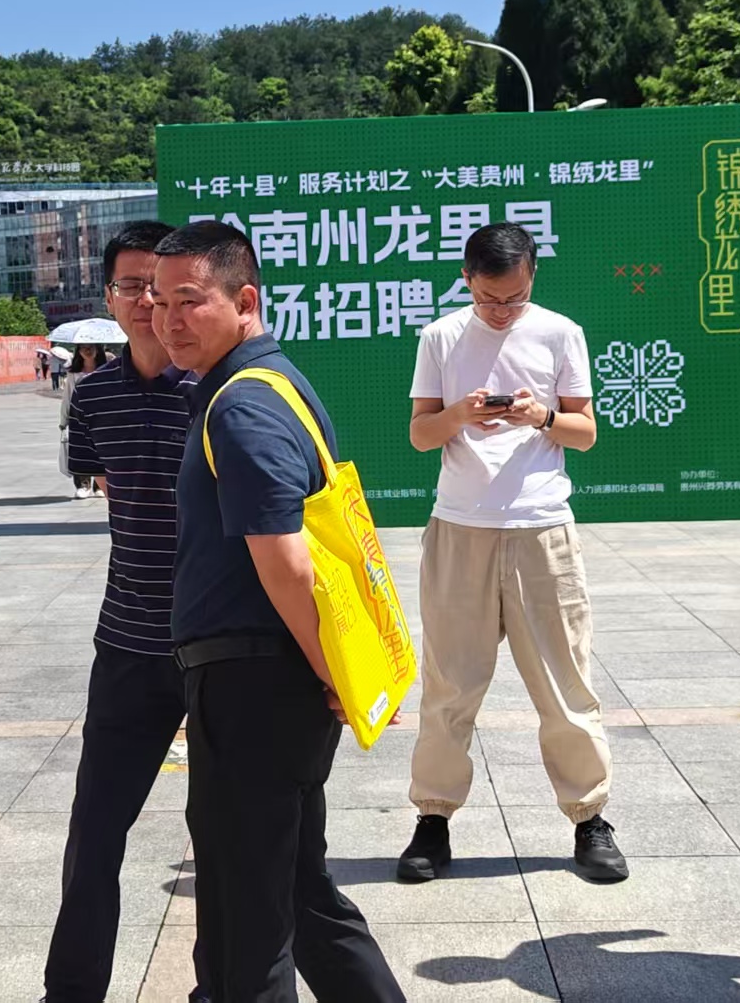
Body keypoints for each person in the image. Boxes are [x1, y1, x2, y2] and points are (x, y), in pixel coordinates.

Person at [153, 220, 402, 1003]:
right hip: (269, 683)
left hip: (253, 689)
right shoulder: (275, 384)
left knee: (247, 926)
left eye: (189, 300)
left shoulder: (243, 407)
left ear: (246, 300)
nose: (169, 319)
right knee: (295, 891)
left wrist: (338, 675)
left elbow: (285, 561)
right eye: (159, 301)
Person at [398, 221, 628, 887]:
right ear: (466, 279)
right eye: (489, 298)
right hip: (458, 526)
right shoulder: (441, 336)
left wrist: (541, 417)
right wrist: (461, 414)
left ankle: (590, 818)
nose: (501, 311)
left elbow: (584, 431)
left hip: (541, 528)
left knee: (565, 684)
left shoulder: (560, 332)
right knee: (449, 686)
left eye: (515, 297)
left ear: (532, 277)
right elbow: (420, 433)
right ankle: (433, 818)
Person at [43, 221, 209, 1003]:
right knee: (95, 829)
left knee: (226, 835)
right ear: (108, 297)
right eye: (132, 287)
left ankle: (222, 986)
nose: (147, 302)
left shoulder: (215, 389)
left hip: (216, 644)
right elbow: (106, 485)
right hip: (128, 644)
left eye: (160, 287)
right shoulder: (93, 395)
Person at [59, 344, 107, 497]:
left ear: (98, 350)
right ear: (78, 351)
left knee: (102, 451)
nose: (88, 351)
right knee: (81, 450)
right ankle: (83, 484)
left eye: (91, 347)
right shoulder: (73, 373)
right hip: (78, 417)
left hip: (102, 416)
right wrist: (63, 419)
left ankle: (99, 486)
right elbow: (67, 396)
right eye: (83, 348)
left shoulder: (107, 370)